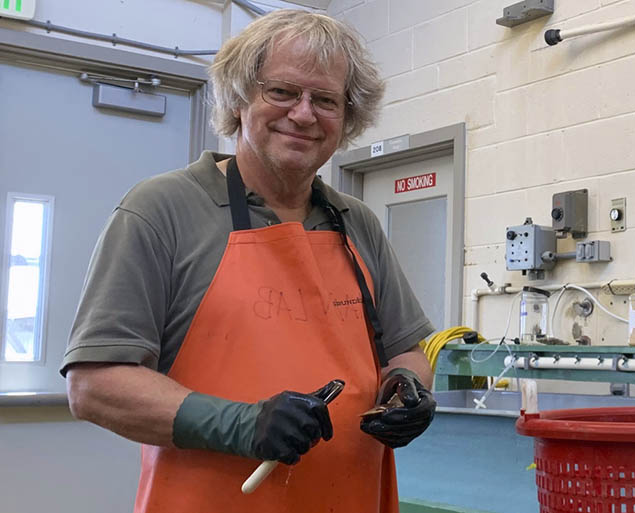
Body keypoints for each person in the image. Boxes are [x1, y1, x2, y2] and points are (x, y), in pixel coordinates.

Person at [61, 10, 436, 513]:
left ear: (346, 119)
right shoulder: (162, 210)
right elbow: (95, 385)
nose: (304, 114)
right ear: (239, 99)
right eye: (282, 92)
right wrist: (245, 425)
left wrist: (406, 388)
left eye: (325, 100)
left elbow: (406, 352)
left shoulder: (357, 221)